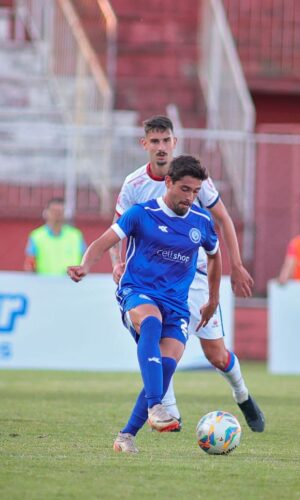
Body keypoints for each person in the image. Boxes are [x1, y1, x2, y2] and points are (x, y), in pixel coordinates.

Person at [110, 115, 265, 433]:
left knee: (217, 354)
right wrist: (118, 261)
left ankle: (243, 394)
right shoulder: (134, 185)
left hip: (194, 278)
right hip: (152, 281)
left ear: (174, 142)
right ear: (146, 145)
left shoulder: (194, 178)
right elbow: (118, 229)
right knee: (154, 338)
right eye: (155, 141)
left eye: (166, 140)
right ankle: (168, 412)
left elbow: (222, 219)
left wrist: (235, 266)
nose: (161, 147)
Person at [68, 155, 221, 453]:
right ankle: (156, 408)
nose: (190, 198)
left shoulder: (201, 221)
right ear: (168, 183)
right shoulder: (141, 213)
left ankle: (126, 436)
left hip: (177, 304)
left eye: (195, 192)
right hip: (138, 291)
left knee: (164, 369)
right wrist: (87, 265)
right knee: (151, 323)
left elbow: (215, 255)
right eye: (185, 189)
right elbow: (104, 241)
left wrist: (213, 299)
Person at [24, 198, 86, 275]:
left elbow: (85, 262)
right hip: (45, 284)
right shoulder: (37, 236)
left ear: (65, 213)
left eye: (60, 211)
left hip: (71, 284)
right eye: (54, 211)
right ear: (46, 213)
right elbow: (30, 264)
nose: (57, 214)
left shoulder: (76, 235)